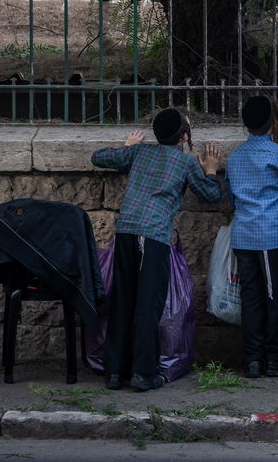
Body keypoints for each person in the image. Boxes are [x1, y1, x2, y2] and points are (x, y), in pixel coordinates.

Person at [92, 107, 222, 392]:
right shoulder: (186, 163)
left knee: (122, 300)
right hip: (152, 237)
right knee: (147, 304)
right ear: (184, 136)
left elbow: (98, 157)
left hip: (126, 231)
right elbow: (211, 195)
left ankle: (114, 372)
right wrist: (210, 171)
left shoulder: (140, 153)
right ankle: (143, 372)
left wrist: (126, 147)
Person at [226, 95, 278, 379]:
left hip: (242, 235)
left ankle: (252, 359)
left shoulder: (236, 156)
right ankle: (276, 356)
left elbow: (230, 198)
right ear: (274, 122)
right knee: (276, 297)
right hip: (271, 235)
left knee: (250, 296)